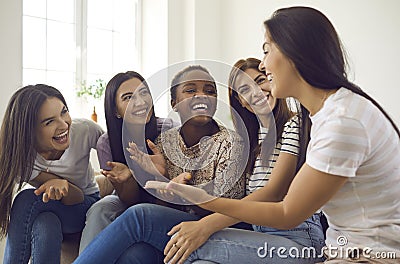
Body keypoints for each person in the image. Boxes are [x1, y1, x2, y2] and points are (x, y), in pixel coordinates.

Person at [146, 6, 400, 263]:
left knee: (179, 244)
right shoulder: (327, 115)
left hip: (368, 255)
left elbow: (288, 211)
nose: (264, 63)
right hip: (342, 248)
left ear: (296, 51)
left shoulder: (341, 122)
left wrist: (205, 201)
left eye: (267, 50)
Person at [153, 57, 325, 264]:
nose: (256, 92)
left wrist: (206, 225)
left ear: (273, 81)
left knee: (187, 246)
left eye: (260, 81)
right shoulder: (253, 142)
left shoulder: (295, 124)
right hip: (262, 236)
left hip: (299, 238)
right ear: (240, 101)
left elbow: (273, 192)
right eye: (245, 90)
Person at [74, 65, 247, 263]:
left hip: (214, 227)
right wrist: (160, 177)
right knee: (133, 254)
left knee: (139, 216)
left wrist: (184, 192)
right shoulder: (164, 142)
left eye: (210, 91)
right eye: (191, 90)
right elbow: (161, 205)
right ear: (174, 103)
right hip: (175, 227)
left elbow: (229, 210)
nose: (202, 96)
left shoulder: (232, 143)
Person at [0, 84, 104, 264]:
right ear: (28, 131)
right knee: (45, 224)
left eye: (64, 112)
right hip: (51, 209)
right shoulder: (21, 158)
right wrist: (56, 184)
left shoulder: (84, 130)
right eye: (49, 122)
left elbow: (78, 196)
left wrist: (64, 186)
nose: (64, 125)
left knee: (26, 199)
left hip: (85, 204)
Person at [79, 71, 176, 252]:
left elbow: (175, 194)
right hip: (129, 202)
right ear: (116, 110)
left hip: (166, 201)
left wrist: (162, 173)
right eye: (128, 97)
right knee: (101, 207)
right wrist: (129, 179)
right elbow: (130, 201)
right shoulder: (106, 143)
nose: (140, 102)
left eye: (144, 92)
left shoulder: (168, 129)